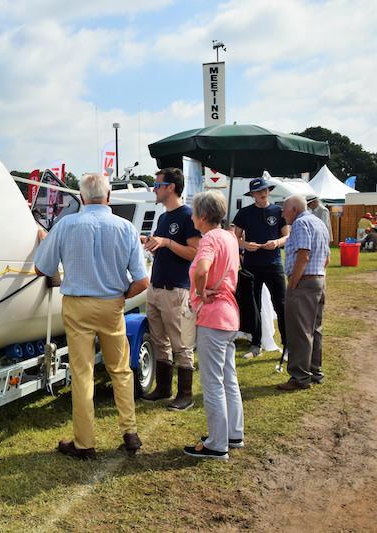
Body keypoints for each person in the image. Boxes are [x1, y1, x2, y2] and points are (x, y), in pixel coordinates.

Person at [35, 172, 149, 459]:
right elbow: (141, 281)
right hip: (112, 304)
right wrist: (121, 297)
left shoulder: (66, 225)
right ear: (108, 196)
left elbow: (42, 268)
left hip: (77, 305)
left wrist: (44, 241)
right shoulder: (126, 228)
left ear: (81, 197)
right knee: (120, 369)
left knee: (82, 373)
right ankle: (130, 431)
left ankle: (84, 443)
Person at [183, 191, 243, 460]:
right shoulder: (229, 237)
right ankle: (233, 433)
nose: (192, 217)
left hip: (214, 316)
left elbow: (201, 269)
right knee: (228, 378)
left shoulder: (209, 239)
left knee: (212, 382)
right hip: (230, 315)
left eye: (194, 212)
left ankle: (217, 443)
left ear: (203, 216)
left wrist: (201, 290)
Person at [140, 168, 200, 411]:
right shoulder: (164, 217)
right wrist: (152, 243)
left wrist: (166, 242)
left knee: (181, 343)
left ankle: (185, 394)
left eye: (157, 185)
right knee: (159, 339)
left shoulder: (187, 216)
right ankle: (164, 388)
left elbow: (195, 253)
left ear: (171, 187)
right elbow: (167, 248)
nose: (154, 189)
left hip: (176, 289)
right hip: (156, 287)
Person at [232, 178, 289, 358]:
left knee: (281, 304)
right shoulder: (244, 213)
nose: (262, 194)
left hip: (274, 264)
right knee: (253, 305)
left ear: (268, 191)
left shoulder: (279, 211)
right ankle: (255, 343)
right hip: (251, 266)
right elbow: (234, 238)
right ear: (253, 195)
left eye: (264, 190)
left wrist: (277, 242)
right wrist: (245, 245)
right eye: (258, 192)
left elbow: (287, 236)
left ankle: (288, 345)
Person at [278, 195, 330, 391]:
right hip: (318, 280)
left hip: (304, 282)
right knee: (314, 328)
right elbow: (327, 257)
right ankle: (315, 371)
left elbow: (303, 254)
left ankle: (300, 377)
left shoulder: (300, 224)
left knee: (299, 331)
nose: (283, 214)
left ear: (294, 209)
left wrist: (293, 284)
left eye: (284, 210)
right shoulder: (319, 222)